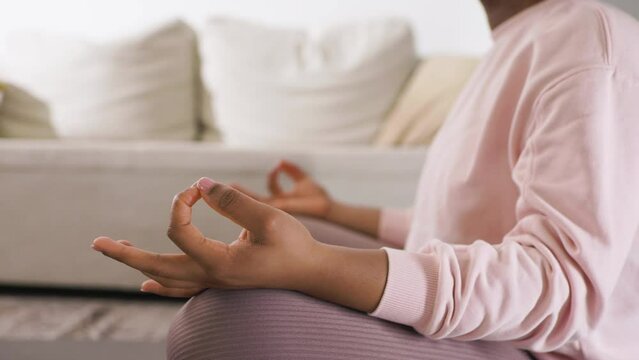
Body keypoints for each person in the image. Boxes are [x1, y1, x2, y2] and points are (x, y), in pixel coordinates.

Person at [91, 0, 639, 359]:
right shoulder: (523, 39)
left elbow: (561, 284)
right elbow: (463, 223)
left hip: (546, 346)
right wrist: (331, 212)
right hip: (504, 324)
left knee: (225, 322)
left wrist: (316, 265)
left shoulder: (585, 39)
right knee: (285, 241)